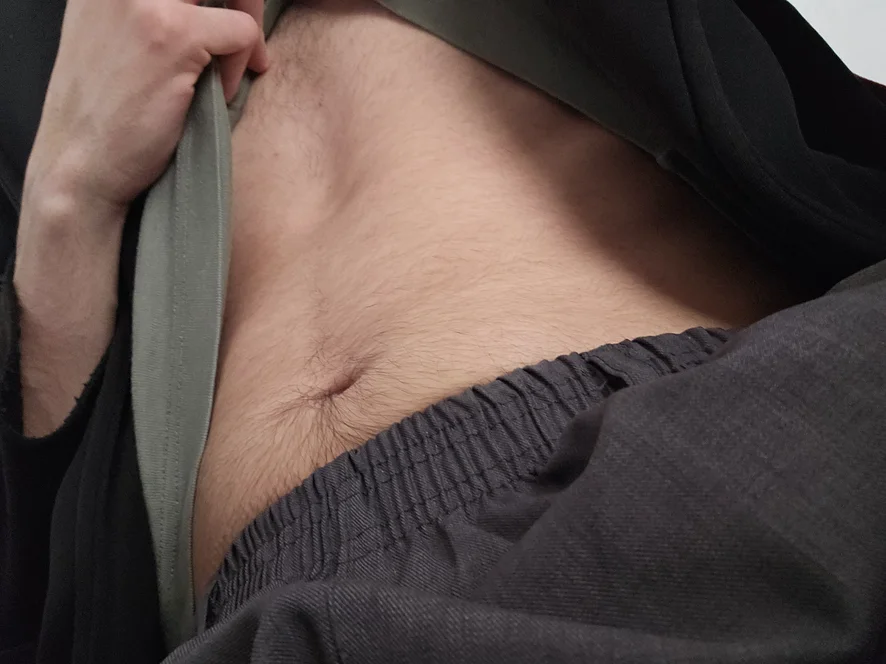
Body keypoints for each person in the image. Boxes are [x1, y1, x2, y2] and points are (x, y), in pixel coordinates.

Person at [2, 0, 886, 662]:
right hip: (266, 620)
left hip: (697, 486)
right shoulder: (35, 54)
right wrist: (65, 196)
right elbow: (35, 597)